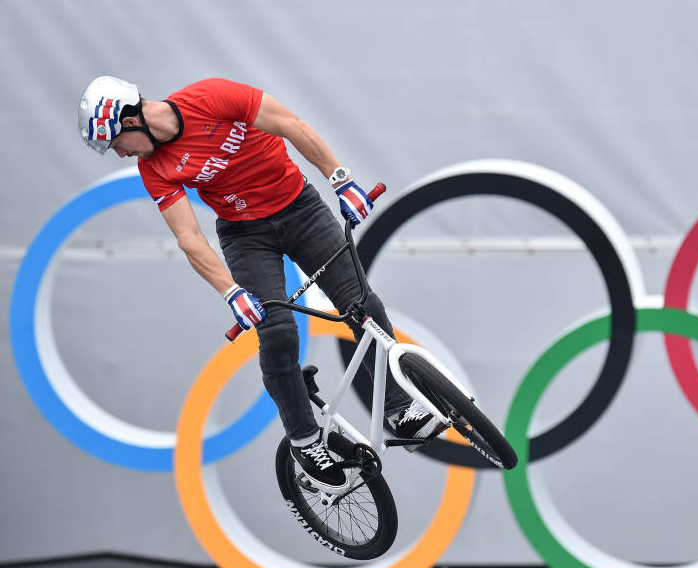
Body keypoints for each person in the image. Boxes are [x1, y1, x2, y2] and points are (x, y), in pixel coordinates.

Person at [78, 76, 440, 490]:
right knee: (278, 333)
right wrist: (230, 292)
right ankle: (305, 440)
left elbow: (290, 125)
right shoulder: (154, 168)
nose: (120, 153)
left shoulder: (211, 96)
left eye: (116, 141)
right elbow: (189, 238)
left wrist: (339, 179)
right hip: (246, 236)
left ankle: (399, 409)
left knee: (363, 306)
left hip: (299, 207)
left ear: (129, 117)